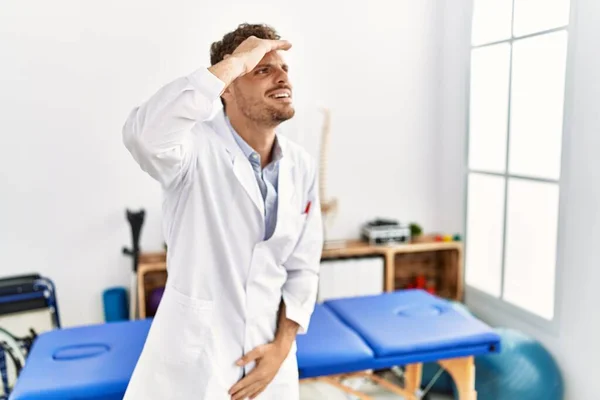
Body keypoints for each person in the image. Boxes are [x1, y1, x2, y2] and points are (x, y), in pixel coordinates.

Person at [121, 23, 323, 400]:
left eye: (284, 68)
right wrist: (234, 63)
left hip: (270, 362)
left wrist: (281, 348)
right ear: (226, 88)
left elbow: (303, 265)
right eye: (262, 69)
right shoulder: (192, 148)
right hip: (197, 365)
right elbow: (143, 136)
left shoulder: (301, 165)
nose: (282, 76)